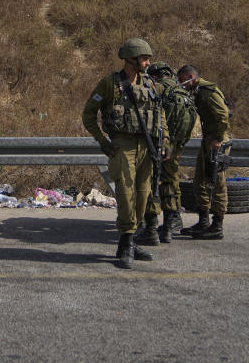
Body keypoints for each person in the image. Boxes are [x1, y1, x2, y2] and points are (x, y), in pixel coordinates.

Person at [82, 37, 169, 268]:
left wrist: (164, 141)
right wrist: (103, 141)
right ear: (130, 59)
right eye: (144, 58)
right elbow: (88, 114)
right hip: (123, 146)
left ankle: (133, 238)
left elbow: (160, 115)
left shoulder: (150, 84)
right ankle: (125, 242)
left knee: (143, 195)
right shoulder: (110, 84)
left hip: (147, 146)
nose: (148, 61)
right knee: (126, 194)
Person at [135, 62, 198, 245]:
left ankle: (151, 228)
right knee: (170, 182)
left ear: (154, 75)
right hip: (175, 146)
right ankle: (169, 226)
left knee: (152, 182)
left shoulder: (158, 88)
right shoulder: (182, 91)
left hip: (159, 144)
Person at [176, 64, 230, 240]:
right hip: (209, 139)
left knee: (216, 182)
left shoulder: (208, 91)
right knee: (199, 180)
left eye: (183, 80)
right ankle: (203, 222)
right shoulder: (198, 91)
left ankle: (217, 225)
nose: (182, 84)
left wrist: (218, 139)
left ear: (192, 76)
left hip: (216, 141)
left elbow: (223, 114)